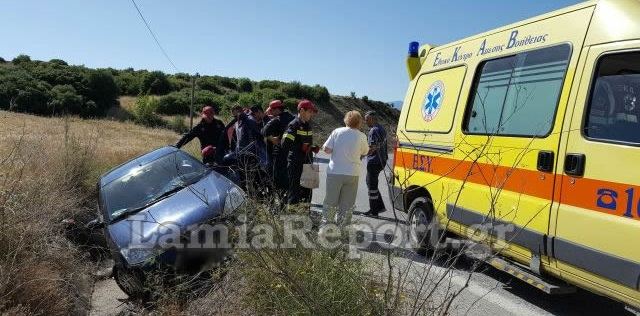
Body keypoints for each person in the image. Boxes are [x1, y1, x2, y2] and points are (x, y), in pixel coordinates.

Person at [321, 111, 369, 226]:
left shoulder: (337, 132)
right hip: (352, 173)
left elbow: (326, 149)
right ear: (359, 123)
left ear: (346, 120)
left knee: (330, 201)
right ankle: (343, 227)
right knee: (347, 204)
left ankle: (326, 226)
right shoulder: (362, 136)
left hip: (335, 172)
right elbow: (365, 151)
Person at [281, 100, 319, 204]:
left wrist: (312, 148)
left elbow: (306, 143)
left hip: (308, 162)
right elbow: (284, 144)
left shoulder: (308, 125)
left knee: (308, 190)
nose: (311, 114)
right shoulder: (293, 125)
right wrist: (300, 147)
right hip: (295, 163)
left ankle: (305, 213)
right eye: (310, 112)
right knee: (294, 191)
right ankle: (293, 218)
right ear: (302, 110)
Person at [261, 100, 296, 193]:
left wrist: (272, 139)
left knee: (278, 178)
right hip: (292, 153)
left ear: (277, 109)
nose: (270, 112)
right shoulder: (293, 118)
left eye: (272, 110)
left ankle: (280, 200)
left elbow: (264, 131)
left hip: (279, 153)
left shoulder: (277, 119)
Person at [363, 111, 388, 217]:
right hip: (382, 160)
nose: (365, 122)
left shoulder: (373, 130)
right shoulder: (382, 129)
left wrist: (362, 154)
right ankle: (378, 207)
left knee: (371, 185)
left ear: (372, 119)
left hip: (374, 161)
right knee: (371, 183)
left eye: (367, 119)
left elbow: (373, 147)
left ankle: (374, 211)